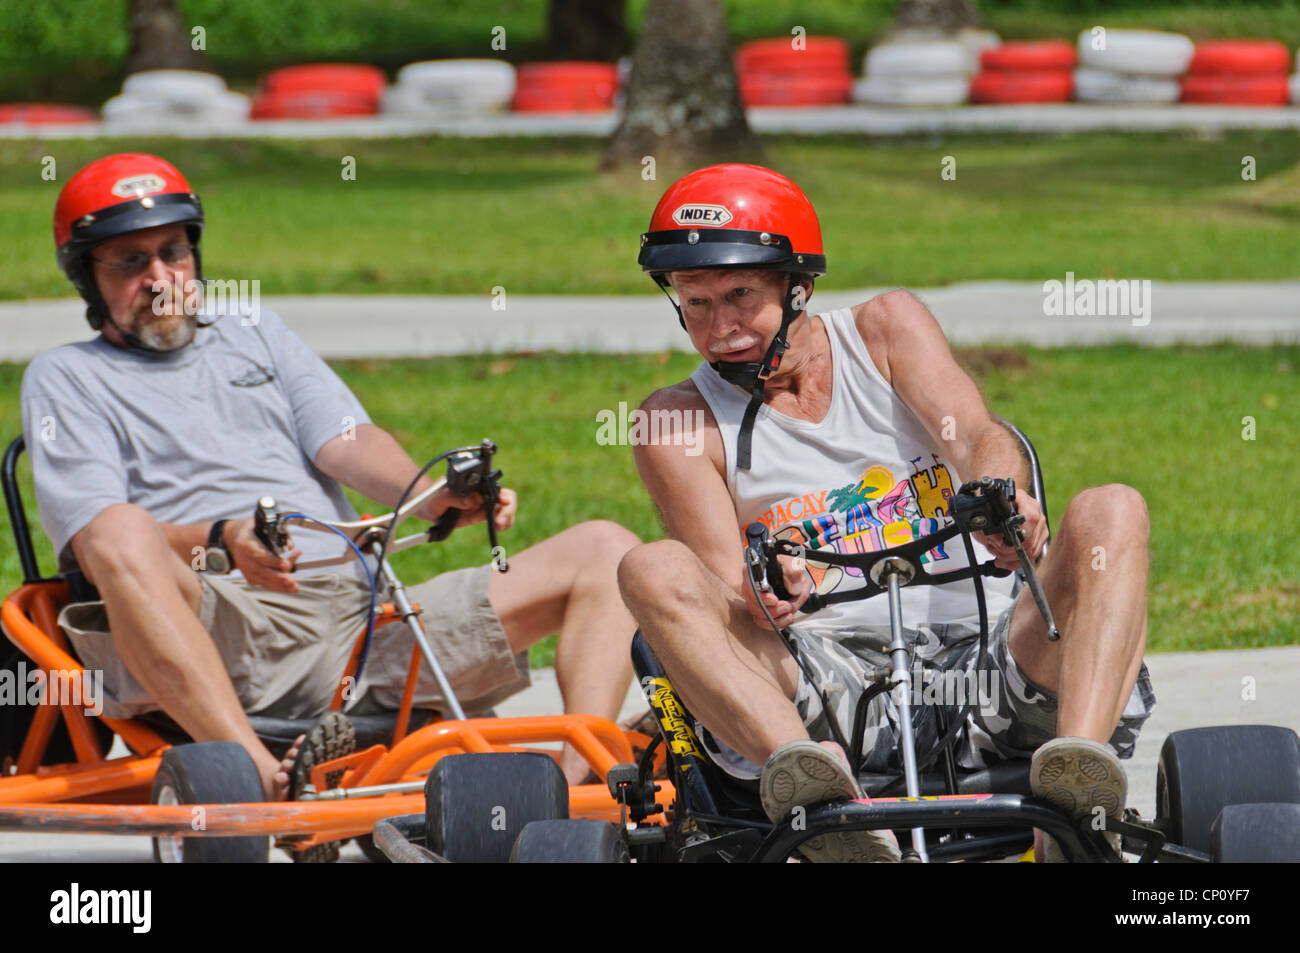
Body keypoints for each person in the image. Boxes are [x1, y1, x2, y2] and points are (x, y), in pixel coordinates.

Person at [21, 152, 639, 805]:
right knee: (118, 529)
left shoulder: (252, 330)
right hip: (221, 620)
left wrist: (432, 498)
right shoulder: (66, 377)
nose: (160, 276)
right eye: (129, 260)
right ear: (87, 277)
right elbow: (96, 542)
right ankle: (260, 775)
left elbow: (345, 441)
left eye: (172, 251)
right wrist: (226, 539)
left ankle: (574, 788)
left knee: (608, 548)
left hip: (364, 622)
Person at [617, 163, 1155, 862]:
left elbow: (976, 431)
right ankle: (823, 812)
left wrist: (1000, 498)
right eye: (695, 305)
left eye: (739, 296)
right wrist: (764, 589)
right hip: (826, 694)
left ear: (796, 283)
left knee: (1113, 508)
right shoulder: (677, 421)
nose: (720, 329)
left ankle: (1075, 798)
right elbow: (722, 585)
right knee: (648, 566)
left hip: (990, 667)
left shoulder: (883, 331)